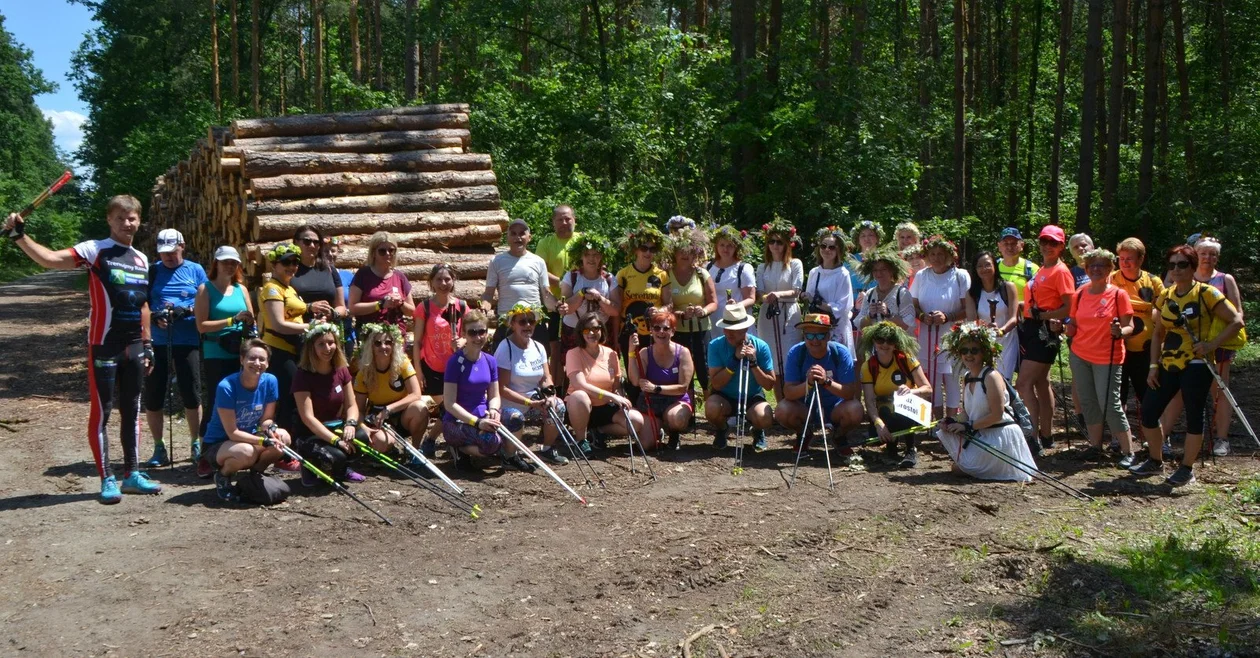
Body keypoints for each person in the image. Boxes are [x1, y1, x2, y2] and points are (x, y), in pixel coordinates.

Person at [4, 195, 163, 503]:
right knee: (101, 413)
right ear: (109, 220)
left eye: (132, 218)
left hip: (134, 347)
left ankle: (132, 474)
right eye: (120, 218)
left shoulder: (142, 259)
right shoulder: (95, 250)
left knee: (132, 411)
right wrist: (20, 237)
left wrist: (148, 343)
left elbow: (144, 304)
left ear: (139, 220)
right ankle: (107, 479)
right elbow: (50, 259)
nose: (126, 223)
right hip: (104, 344)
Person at [1129, 245, 1244, 487]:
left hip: (1197, 364)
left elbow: (1236, 321)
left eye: (1182, 264)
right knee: (1149, 411)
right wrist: (1153, 366)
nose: (1176, 269)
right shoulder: (1166, 295)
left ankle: (1186, 468)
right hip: (1168, 363)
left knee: (1193, 416)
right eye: (1172, 265)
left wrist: (1211, 344)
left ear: (1192, 266)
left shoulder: (1207, 293)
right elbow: (1158, 333)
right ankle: (1155, 460)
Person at [1168, 237, 1246, 457]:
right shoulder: (1183, 275)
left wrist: (1215, 340)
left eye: (1213, 254)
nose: (1208, 258)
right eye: (1203, 253)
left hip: (1218, 346)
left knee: (1220, 392)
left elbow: (1238, 314)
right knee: (1180, 391)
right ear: (1195, 255)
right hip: (1186, 346)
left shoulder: (1225, 279)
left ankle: (1222, 438)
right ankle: (1164, 435)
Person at [1059, 248, 1137, 466]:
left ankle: (1128, 450)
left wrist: (1120, 332)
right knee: (1088, 401)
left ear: (1110, 268)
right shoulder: (1081, 293)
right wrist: (1064, 326)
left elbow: (1130, 325)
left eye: (1101, 265)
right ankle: (1095, 446)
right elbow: (1073, 323)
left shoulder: (1118, 294)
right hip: (1080, 354)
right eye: (1091, 265)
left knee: (1110, 404)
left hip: (1108, 356)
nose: (1095, 269)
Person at [936, 323, 1037, 482]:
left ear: (984, 352)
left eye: (974, 350)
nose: (969, 355)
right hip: (983, 434)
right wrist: (952, 421)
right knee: (954, 458)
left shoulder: (991, 376)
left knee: (958, 468)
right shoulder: (968, 377)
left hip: (1000, 437)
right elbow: (968, 413)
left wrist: (967, 426)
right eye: (964, 351)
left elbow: (997, 415)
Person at [441, 310, 535, 472]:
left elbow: (494, 395)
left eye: (482, 332)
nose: (478, 337)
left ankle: (509, 457)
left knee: (515, 417)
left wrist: (493, 410)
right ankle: (458, 449)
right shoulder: (455, 362)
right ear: (464, 334)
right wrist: (477, 422)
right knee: (492, 443)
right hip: (456, 422)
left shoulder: (490, 360)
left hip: (483, 415)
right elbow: (449, 404)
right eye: (472, 332)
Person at [144, 228, 207, 467]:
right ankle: (159, 447)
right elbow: (142, 302)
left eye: (172, 251)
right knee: (154, 394)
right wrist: (153, 316)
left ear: (182, 246)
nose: (168, 257)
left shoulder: (195, 270)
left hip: (186, 338)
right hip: (158, 341)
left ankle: (195, 442)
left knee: (191, 392)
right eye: (164, 253)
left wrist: (187, 310)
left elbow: (205, 300)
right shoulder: (152, 271)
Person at [202, 339, 291, 502]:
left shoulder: (271, 381)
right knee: (246, 452)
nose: (257, 363)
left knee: (283, 438)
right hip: (220, 443)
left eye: (262, 359)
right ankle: (223, 476)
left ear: (268, 363)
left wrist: (271, 430)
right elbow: (232, 432)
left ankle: (255, 476)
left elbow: (267, 420)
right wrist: (264, 441)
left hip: (249, 438)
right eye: (252, 358)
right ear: (242, 360)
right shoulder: (226, 386)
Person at [194, 245, 255, 475]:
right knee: (215, 401)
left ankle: (232, 448)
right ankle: (205, 452)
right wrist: (231, 320)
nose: (229, 266)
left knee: (239, 401)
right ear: (216, 264)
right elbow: (201, 325)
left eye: (233, 262)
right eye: (225, 261)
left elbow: (251, 319)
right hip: (215, 353)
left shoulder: (242, 289)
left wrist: (248, 323)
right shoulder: (205, 289)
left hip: (238, 352)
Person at [1017, 225, 1074, 455]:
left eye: (1053, 243)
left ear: (1061, 246)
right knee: (1041, 384)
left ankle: (1032, 437)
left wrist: (1046, 316)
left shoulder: (1061, 271)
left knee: (1023, 384)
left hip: (1044, 332)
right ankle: (1046, 435)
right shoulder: (1043, 269)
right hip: (1033, 327)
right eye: (1044, 242)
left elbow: (1070, 306)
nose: (1047, 246)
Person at [774, 314, 864, 456]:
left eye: (820, 336)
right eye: (810, 336)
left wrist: (826, 382)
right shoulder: (796, 352)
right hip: (805, 407)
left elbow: (849, 392)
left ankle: (839, 436)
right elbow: (788, 392)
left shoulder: (840, 353)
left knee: (855, 410)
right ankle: (804, 433)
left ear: (828, 336)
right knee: (782, 410)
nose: (815, 340)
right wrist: (808, 383)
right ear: (804, 336)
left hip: (835, 407)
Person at [292, 323, 367, 486]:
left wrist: (351, 424)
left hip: (336, 425)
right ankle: (310, 465)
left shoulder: (341, 369)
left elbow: (351, 405)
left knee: (361, 437)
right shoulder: (302, 375)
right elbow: (307, 417)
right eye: (321, 344)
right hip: (311, 433)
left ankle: (340, 469)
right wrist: (334, 440)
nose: (328, 348)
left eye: (331, 342)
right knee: (337, 454)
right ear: (312, 347)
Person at [493, 304, 569, 464]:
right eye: (522, 322)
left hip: (535, 402)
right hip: (509, 405)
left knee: (559, 406)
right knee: (516, 417)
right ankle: (509, 456)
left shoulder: (538, 347)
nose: (528, 325)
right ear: (512, 324)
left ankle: (547, 449)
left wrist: (549, 395)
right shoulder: (505, 348)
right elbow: (502, 388)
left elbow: (546, 378)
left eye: (531, 321)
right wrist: (530, 402)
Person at [565, 314, 648, 450]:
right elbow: (579, 385)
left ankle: (599, 431)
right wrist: (612, 396)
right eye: (586, 330)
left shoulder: (611, 354)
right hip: (580, 407)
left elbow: (616, 385)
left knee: (636, 421)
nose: (592, 333)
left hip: (605, 407)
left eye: (596, 328)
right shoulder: (573, 353)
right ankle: (581, 440)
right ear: (581, 333)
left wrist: (620, 397)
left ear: (602, 330)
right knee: (580, 395)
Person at [354, 323, 432, 465]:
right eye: (378, 343)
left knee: (420, 408)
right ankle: (388, 448)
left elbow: (416, 394)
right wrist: (363, 426)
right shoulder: (363, 373)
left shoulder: (402, 363)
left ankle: (414, 450)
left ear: (393, 345)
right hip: (377, 418)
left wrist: (388, 409)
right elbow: (358, 409)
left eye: (388, 342)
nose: (383, 347)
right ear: (371, 346)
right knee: (381, 442)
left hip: (400, 412)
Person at [910, 235, 970, 417]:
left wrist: (948, 316)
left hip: (951, 334)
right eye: (933, 254)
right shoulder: (921, 276)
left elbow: (968, 307)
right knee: (931, 377)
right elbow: (913, 303)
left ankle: (951, 420)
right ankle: (936, 421)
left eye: (941, 254)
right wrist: (922, 316)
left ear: (949, 255)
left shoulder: (960, 275)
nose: (936, 257)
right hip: (928, 333)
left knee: (951, 378)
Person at [412, 263, 468, 457]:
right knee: (449, 407)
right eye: (439, 279)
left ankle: (435, 439)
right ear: (431, 283)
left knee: (453, 406)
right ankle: (431, 440)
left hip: (455, 367)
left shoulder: (461, 306)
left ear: (453, 281)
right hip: (432, 368)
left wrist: (462, 341)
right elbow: (417, 342)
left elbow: (469, 334)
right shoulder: (424, 307)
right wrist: (418, 371)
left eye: (447, 279)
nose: (443, 283)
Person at [858, 321, 933, 468]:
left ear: (895, 343)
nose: (885, 345)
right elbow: (869, 400)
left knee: (901, 410)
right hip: (885, 411)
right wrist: (878, 423)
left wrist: (912, 391)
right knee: (876, 434)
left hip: (911, 409)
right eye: (880, 340)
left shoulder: (906, 359)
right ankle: (891, 445)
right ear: (873, 341)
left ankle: (910, 448)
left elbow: (928, 389)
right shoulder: (868, 366)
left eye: (890, 341)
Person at [705, 303, 777, 451]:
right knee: (711, 408)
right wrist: (734, 361)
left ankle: (757, 431)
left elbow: (769, 385)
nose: (729, 333)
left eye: (735, 330)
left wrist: (754, 363)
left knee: (765, 417)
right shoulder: (715, 345)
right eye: (726, 328)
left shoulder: (761, 346)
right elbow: (716, 384)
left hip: (752, 395)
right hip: (724, 395)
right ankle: (722, 429)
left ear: (745, 328)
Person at [257, 243, 310, 443]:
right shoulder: (272, 288)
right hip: (278, 350)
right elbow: (279, 324)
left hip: (293, 349)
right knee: (288, 399)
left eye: (295, 262)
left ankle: (291, 443)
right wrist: (309, 327)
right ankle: (282, 450)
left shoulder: (288, 288)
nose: (292, 266)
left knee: (292, 398)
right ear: (274, 264)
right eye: (286, 262)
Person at [613, 223, 669, 404]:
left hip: (654, 331)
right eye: (644, 248)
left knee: (652, 370)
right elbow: (617, 307)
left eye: (652, 249)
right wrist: (615, 336)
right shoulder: (623, 274)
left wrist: (660, 310)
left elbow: (669, 304)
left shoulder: (661, 275)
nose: (648, 252)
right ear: (635, 249)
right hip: (630, 331)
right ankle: (634, 408)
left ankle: (653, 407)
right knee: (633, 370)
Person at [1110, 238, 1163, 425]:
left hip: (1146, 348)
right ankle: (1119, 437)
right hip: (1118, 346)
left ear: (1140, 259)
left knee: (1148, 393)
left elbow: (1163, 310)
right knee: (1118, 393)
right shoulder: (1112, 279)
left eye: (1129, 258)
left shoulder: (1153, 281)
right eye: (1121, 258)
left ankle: (1157, 436)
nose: (1124, 263)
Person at [481, 219, 558, 347]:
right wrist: (483, 307)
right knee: (503, 364)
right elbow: (489, 294)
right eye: (514, 233)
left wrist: (558, 306)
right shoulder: (496, 261)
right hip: (507, 322)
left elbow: (546, 294)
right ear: (508, 238)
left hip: (534, 322)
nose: (518, 237)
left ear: (529, 237)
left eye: (522, 233)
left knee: (539, 363)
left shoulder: (538, 262)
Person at [626, 310, 695, 452]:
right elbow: (634, 381)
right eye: (657, 328)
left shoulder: (683, 353)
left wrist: (656, 388)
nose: (661, 332)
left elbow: (683, 387)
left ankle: (673, 432)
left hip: (676, 400)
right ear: (651, 331)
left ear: (673, 331)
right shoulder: (645, 353)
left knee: (675, 418)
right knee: (646, 445)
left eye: (666, 328)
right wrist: (631, 353)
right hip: (651, 403)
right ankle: (659, 429)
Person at [659, 226, 716, 395]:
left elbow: (713, 302)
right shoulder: (666, 275)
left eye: (690, 251)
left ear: (695, 254)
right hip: (677, 330)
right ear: (674, 253)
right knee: (683, 368)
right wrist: (680, 314)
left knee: (704, 368)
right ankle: (686, 406)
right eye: (681, 251)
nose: (685, 255)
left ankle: (710, 407)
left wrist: (703, 311)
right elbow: (666, 304)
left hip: (701, 328)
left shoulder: (702, 274)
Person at [755, 218, 805, 394]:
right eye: (771, 241)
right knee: (773, 359)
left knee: (790, 354)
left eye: (779, 242)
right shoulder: (762, 267)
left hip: (789, 313)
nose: (775, 245)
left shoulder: (795, 264)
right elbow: (759, 293)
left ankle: (793, 397)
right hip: (768, 315)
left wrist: (778, 295)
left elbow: (797, 290)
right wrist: (765, 297)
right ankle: (780, 401)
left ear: (786, 244)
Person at [535, 205, 579, 391]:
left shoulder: (582, 241)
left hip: (578, 302)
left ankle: (574, 386)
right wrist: (564, 282)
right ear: (553, 222)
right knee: (555, 347)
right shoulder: (546, 243)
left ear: (574, 220)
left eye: (567, 218)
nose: (564, 223)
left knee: (577, 345)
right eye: (560, 219)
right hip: (553, 301)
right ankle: (555, 387)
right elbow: (541, 269)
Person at [559, 232, 619, 367]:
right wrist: (581, 293)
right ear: (581, 256)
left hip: (600, 331)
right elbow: (566, 309)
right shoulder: (571, 277)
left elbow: (615, 311)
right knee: (573, 370)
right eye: (587, 255)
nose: (591, 259)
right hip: (574, 331)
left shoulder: (609, 279)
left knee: (600, 368)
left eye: (596, 255)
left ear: (601, 257)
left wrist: (599, 298)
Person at [964, 251, 1020, 380]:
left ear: (995, 266)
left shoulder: (1008, 287)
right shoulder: (972, 294)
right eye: (980, 266)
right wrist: (984, 331)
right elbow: (972, 322)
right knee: (986, 379)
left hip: (1007, 341)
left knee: (1004, 380)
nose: (984, 269)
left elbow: (1013, 318)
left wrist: (1001, 331)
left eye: (987, 265)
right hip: (984, 343)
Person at [349, 231, 415, 337]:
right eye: (382, 251)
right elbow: (352, 308)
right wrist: (380, 304)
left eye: (391, 250)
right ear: (374, 253)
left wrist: (401, 303)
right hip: (370, 336)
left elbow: (412, 311)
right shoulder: (363, 275)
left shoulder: (399, 277)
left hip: (396, 337)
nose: (388, 254)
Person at [804, 226, 856, 355]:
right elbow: (809, 299)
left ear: (838, 251)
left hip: (836, 327)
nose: (827, 250)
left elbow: (843, 307)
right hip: (817, 327)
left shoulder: (842, 274)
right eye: (823, 246)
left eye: (831, 247)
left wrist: (818, 302)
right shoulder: (814, 272)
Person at [290, 225, 350, 333]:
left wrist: (332, 314)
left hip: (327, 333)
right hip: (297, 332)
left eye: (316, 242)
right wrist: (308, 307)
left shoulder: (329, 269)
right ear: (296, 242)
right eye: (307, 241)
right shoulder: (289, 270)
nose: (312, 245)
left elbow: (341, 306)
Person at [706, 225, 756, 343]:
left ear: (736, 247)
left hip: (736, 323)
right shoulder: (708, 267)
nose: (725, 249)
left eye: (729, 246)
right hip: (714, 323)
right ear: (716, 246)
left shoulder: (743, 268)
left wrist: (736, 306)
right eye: (722, 245)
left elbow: (751, 298)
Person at [855, 244, 916, 335]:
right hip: (876, 345)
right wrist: (870, 315)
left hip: (897, 345)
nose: (879, 273)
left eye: (883, 269)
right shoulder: (870, 294)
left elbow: (908, 325)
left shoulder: (902, 293)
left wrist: (888, 314)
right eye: (875, 270)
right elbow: (860, 325)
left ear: (891, 271)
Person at [326, 237, 357, 352]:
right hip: (323, 333)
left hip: (346, 333)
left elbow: (356, 301)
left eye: (333, 251)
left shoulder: (347, 276)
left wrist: (348, 312)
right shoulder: (316, 276)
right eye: (326, 251)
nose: (330, 254)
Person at [996, 227, 1038, 309]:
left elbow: (1041, 299)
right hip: (997, 320)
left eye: (1013, 243)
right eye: (1006, 243)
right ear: (999, 246)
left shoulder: (1032, 269)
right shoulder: (993, 268)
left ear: (1021, 245)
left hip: (1025, 319)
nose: (1009, 247)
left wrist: (1018, 305)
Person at [848, 219, 884, 294]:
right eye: (863, 236)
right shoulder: (850, 260)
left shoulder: (884, 259)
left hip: (878, 300)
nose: (866, 239)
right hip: (854, 301)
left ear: (877, 238)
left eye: (870, 235)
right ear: (858, 240)